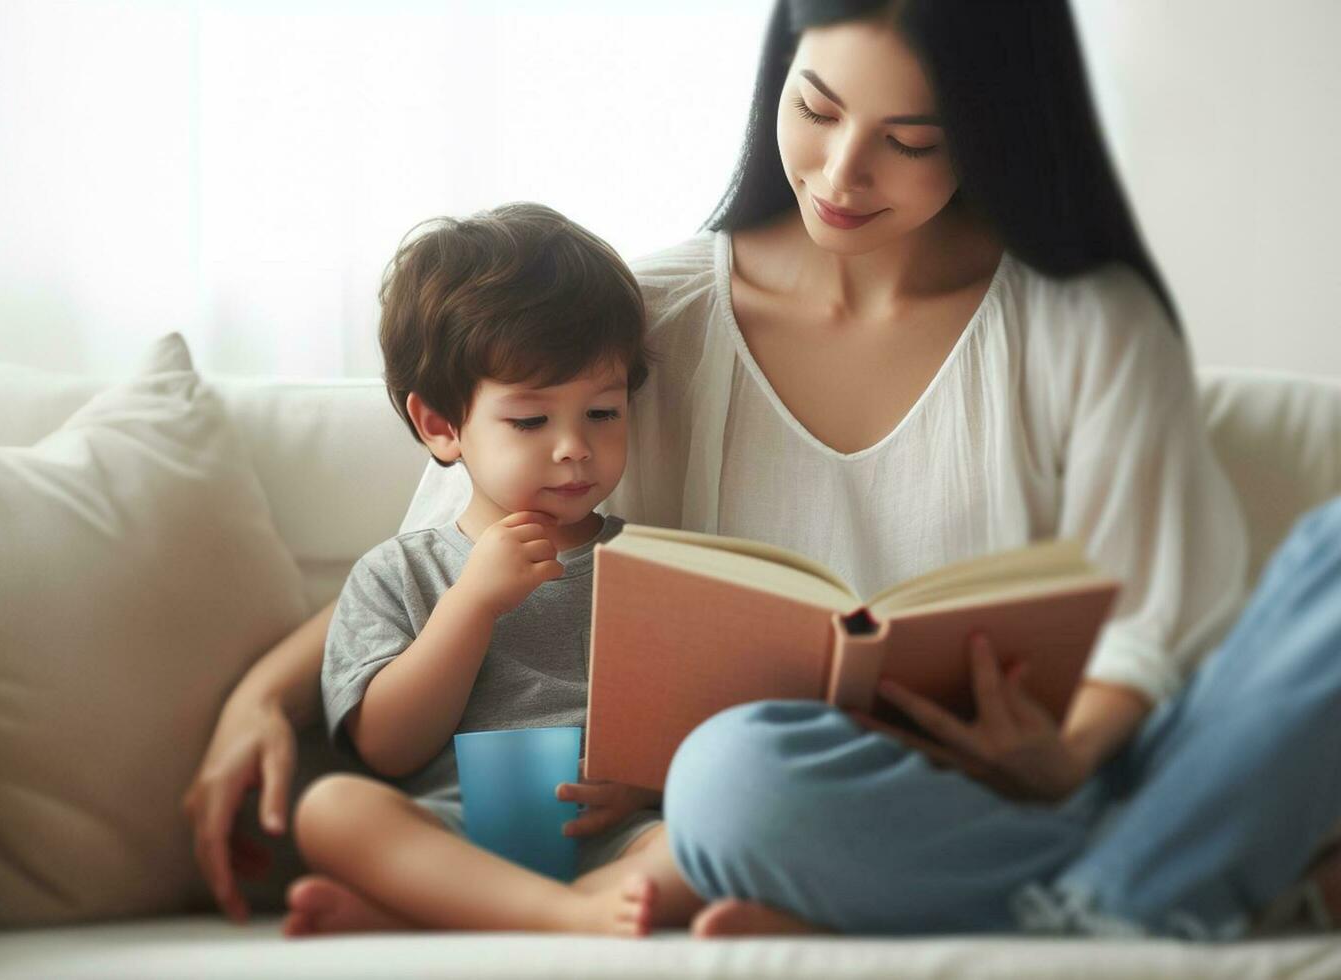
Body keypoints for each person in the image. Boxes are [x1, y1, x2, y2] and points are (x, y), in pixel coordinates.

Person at [184, 0, 1341, 938]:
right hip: (790, 796)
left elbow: (1160, 616)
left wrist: (1068, 751)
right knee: (732, 769)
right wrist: (256, 697)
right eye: (815, 106)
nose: (839, 171)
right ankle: (1149, 881)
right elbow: (460, 544)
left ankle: (1111, 874)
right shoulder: (647, 322)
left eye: (909, 138)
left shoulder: (1086, 326)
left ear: (990, 128)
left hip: (1045, 783)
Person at [277, 202, 709, 936]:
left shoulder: (656, 567)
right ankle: (552, 913)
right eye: (532, 421)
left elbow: (698, 729)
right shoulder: (397, 574)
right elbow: (387, 748)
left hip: (609, 837)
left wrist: (644, 786)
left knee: (722, 836)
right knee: (330, 810)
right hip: (456, 829)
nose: (573, 447)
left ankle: (441, 914)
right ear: (441, 427)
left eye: (602, 413)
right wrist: (471, 604)